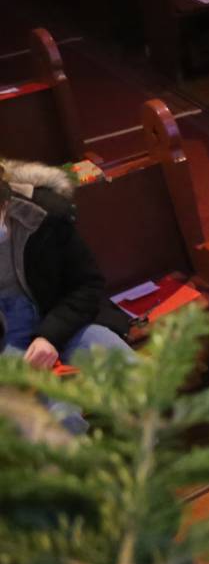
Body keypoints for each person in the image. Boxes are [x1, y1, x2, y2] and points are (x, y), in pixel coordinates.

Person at [2, 159, 136, 434]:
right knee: (57, 421)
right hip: (6, 337)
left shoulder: (43, 213)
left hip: (63, 317)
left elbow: (87, 284)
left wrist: (49, 335)